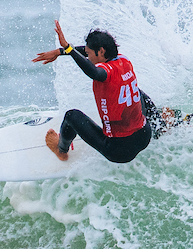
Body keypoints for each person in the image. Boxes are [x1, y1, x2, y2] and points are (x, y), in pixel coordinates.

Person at [32, 21, 153, 163]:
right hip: (144, 135)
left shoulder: (105, 72)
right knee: (136, 92)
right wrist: (60, 52)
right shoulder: (124, 61)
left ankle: (61, 150)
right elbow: (87, 51)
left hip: (119, 150)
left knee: (72, 116)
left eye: (89, 54)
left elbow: (94, 72)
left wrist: (68, 48)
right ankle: (160, 125)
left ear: (101, 52)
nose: (87, 57)